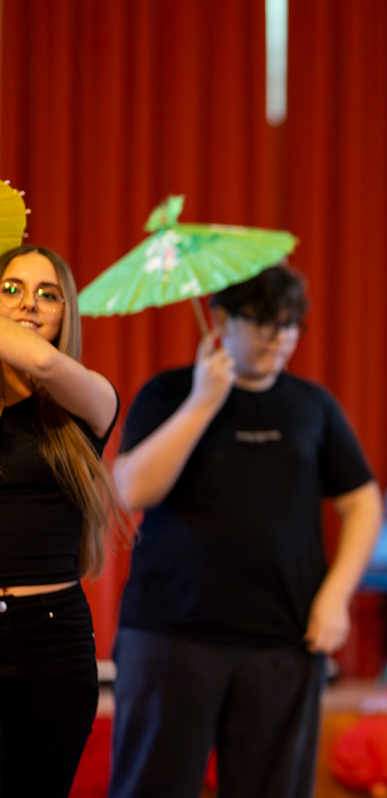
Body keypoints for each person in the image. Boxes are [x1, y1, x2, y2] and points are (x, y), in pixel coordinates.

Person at [108, 264, 382, 798]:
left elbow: (363, 503)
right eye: (264, 323)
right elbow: (132, 490)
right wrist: (203, 401)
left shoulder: (312, 405)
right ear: (220, 319)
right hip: (171, 635)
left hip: (282, 639)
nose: (280, 339)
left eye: (291, 324)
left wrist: (336, 597)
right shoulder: (168, 392)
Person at [0, 246, 128, 797]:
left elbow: (46, 364)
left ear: (64, 314)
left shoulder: (87, 399)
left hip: (50, 639)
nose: (29, 304)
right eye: (11, 289)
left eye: (47, 294)